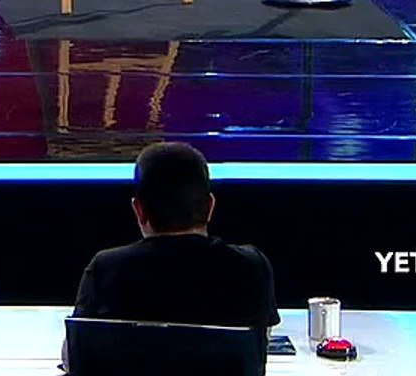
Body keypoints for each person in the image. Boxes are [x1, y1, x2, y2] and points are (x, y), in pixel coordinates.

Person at [69, 142, 277, 359]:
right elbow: (259, 348)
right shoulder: (251, 267)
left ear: (139, 210)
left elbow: (78, 356)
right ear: (210, 206)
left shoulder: (106, 269)